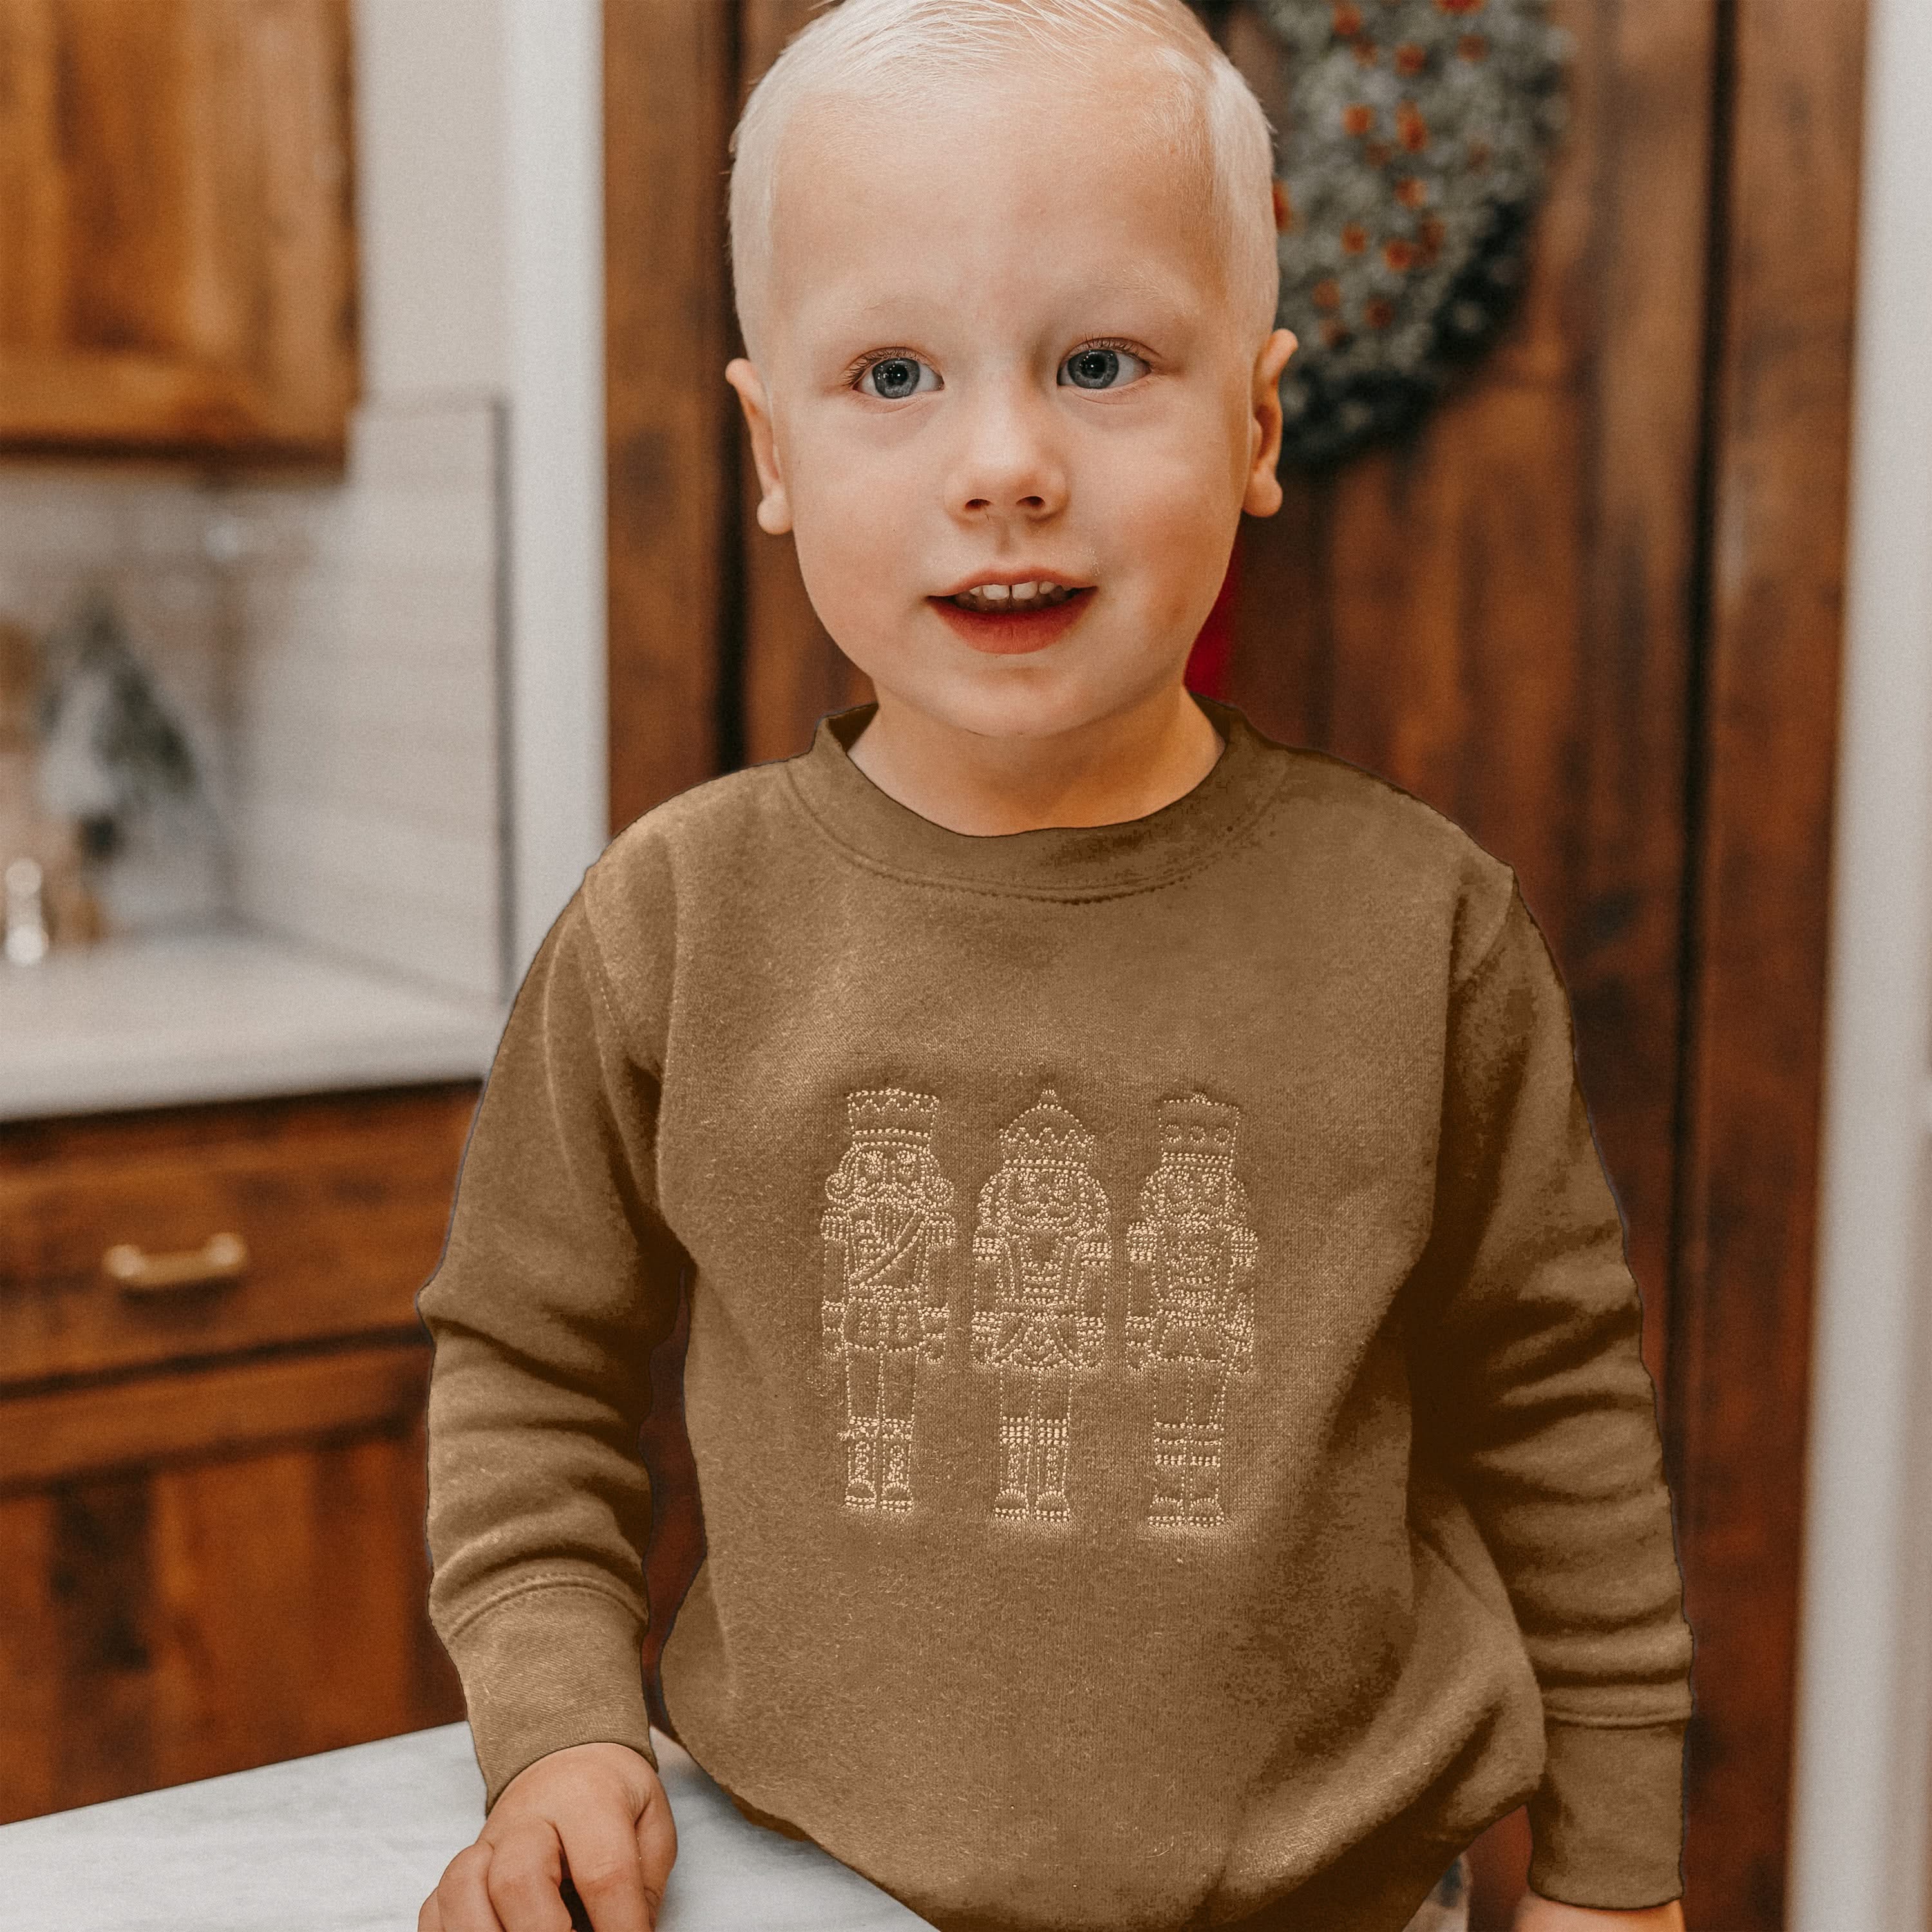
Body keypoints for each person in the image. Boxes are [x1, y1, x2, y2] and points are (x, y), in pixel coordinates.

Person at [413, 3, 1697, 1929]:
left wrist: (1615, 1873)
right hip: (802, 1882)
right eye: (895, 373)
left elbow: (1557, 1408)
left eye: (1102, 362)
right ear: (772, 447)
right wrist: (560, 1726)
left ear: (1255, 422)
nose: (1004, 463)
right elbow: (528, 1367)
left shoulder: (1423, 930)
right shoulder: (669, 927)